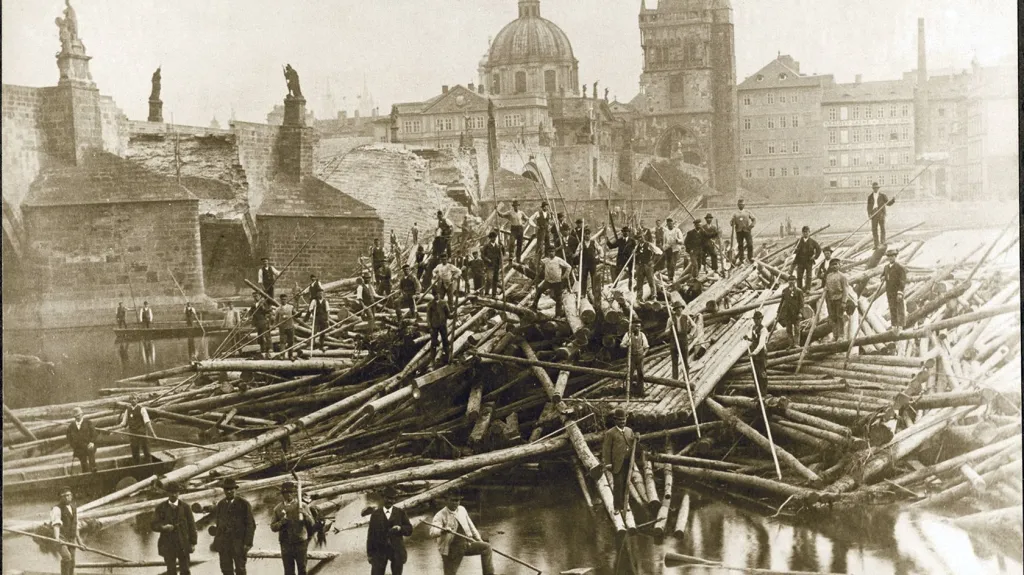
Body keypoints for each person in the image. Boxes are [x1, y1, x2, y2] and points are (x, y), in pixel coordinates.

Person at [428, 491, 495, 575]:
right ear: (446, 500)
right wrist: (443, 530)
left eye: (458, 500)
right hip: (451, 550)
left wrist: (479, 540)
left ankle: (488, 574)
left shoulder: (462, 509)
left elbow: (471, 527)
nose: (456, 503)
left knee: (486, 547)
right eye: (453, 500)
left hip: (466, 545)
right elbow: (432, 532)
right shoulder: (440, 515)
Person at [211, 478, 255, 575]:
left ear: (235, 489)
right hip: (224, 544)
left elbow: (250, 524)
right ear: (224, 491)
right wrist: (217, 542)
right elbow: (219, 524)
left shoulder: (244, 504)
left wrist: (248, 543)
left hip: (238, 543)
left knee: (240, 569)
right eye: (227, 489)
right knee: (226, 569)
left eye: (231, 489)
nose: (229, 491)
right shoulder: (221, 504)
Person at [151, 483, 197, 575]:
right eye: (171, 492)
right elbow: (153, 525)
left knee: (185, 570)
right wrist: (163, 528)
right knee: (171, 571)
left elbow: (192, 526)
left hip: (183, 543)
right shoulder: (161, 508)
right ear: (167, 493)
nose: (173, 495)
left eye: (176, 492)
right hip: (168, 544)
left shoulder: (185, 507)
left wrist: (193, 543)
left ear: (179, 493)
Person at [367, 486, 413, 575]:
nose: (390, 501)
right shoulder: (375, 515)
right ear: (383, 498)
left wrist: (400, 528)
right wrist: (370, 554)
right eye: (388, 498)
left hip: (397, 551)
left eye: (392, 499)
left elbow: (409, 529)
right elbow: (370, 536)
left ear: (395, 500)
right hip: (379, 551)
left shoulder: (400, 512)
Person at [271, 481, 315, 575]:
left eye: (290, 492)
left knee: (302, 569)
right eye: (286, 493)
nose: (288, 495)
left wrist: (305, 514)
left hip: (300, 543)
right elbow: (273, 527)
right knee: (288, 571)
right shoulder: (278, 509)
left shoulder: (302, 506)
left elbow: (312, 524)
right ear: (282, 494)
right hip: (285, 544)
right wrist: (282, 522)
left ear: (294, 493)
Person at [601, 408, 636, 514]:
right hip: (617, 463)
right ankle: (617, 507)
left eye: (624, 419)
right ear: (615, 420)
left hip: (627, 462)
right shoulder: (610, 433)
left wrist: (637, 439)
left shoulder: (629, 431)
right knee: (618, 485)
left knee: (627, 484)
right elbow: (606, 449)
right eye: (620, 420)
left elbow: (632, 444)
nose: (622, 422)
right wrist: (608, 463)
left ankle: (625, 505)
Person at [51, 486, 83, 575]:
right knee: (67, 557)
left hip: (71, 538)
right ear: (60, 497)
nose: (66, 497)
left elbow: (75, 526)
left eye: (68, 495)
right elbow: (56, 525)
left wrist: (80, 543)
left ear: (71, 496)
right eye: (63, 496)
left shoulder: (74, 508)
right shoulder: (57, 509)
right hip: (61, 538)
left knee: (72, 561)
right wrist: (57, 538)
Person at [532, 246, 572, 317]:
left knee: (558, 298)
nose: (551, 253)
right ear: (548, 252)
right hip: (548, 281)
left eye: (552, 251)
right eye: (550, 252)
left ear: (555, 252)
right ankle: (533, 307)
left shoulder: (558, 260)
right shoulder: (546, 260)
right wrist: (538, 255)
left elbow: (569, 267)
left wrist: (565, 276)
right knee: (539, 291)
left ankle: (558, 315)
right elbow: (537, 262)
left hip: (557, 282)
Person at [119, 394, 156, 464]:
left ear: (137, 400)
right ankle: (137, 467)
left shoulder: (142, 409)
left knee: (146, 451)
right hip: (133, 434)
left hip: (142, 434)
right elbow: (123, 423)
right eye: (131, 399)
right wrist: (113, 429)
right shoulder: (128, 410)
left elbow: (147, 422)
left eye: (134, 399)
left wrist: (153, 434)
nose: (133, 400)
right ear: (129, 401)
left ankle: (150, 465)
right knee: (135, 452)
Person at [743, 310, 770, 396]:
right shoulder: (754, 328)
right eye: (755, 319)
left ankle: (764, 393)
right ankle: (758, 393)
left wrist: (754, 353)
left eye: (758, 319)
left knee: (762, 374)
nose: (756, 321)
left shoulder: (763, 330)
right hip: (755, 354)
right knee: (755, 374)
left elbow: (761, 343)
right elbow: (754, 339)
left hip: (760, 354)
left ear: (761, 319)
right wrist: (748, 338)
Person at [620, 320, 649, 397]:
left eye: (639, 326)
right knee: (630, 374)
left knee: (641, 374)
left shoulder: (642, 335)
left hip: (640, 357)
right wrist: (627, 344)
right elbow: (621, 345)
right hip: (631, 357)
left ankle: (641, 392)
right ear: (632, 326)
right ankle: (630, 392)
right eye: (636, 326)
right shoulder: (628, 335)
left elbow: (646, 347)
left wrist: (643, 355)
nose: (637, 328)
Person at [664, 301, 691, 379]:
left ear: (682, 309)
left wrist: (690, 335)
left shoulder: (686, 317)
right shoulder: (670, 319)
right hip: (674, 341)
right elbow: (665, 332)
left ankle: (686, 379)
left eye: (680, 309)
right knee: (674, 362)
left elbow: (694, 326)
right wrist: (670, 328)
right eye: (677, 309)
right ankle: (675, 380)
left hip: (683, 340)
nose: (679, 310)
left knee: (685, 361)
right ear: (675, 310)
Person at [575, 227, 602, 305]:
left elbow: (600, 249)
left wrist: (599, 257)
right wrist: (576, 255)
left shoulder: (594, 242)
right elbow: (577, 252)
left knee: (594, 277)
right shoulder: (581, 243)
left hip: (592, 263)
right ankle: (583, 293)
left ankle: (594, 293)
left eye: (588, 234)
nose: (587, 236)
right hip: (584, 263)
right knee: (584, 278)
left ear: (590, 235)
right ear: (584, 235)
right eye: (586, 234)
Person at [882, 248, 907, 331]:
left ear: (895, 257)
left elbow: (903, 280)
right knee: (892, 308)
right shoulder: (886, 267)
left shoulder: (900, 267)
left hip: (897, 292)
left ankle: (901, 326)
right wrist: (882, 277)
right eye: (889, 256)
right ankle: (894, 326)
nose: (890, 258)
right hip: (889, 292)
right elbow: (883, 275)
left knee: (900, 308)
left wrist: (900, 292)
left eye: (892, 256)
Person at [791, 226, 822, 292]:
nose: (806, 233)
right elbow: (793, 250)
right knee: (799, 276)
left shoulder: (812, 242)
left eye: (807, 232)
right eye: (804, 232)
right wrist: (794, 251)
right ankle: (799, 288)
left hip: (809, 261)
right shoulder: (799, 241)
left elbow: (819, 249)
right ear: (802, 233)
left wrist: (815, 257)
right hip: (800, 261)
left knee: (809, 276)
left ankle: (808, 288)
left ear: (809, 232)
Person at [66, 407, 96, 473]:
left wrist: (92, 442)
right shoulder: (71, 426)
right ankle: (85, 472)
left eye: (79, 415)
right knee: (83, 459)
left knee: (90, 451)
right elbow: (69, 438)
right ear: (74, 417)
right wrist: (74, 446)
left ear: (82, 415)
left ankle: (93, 468)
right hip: (79, 447)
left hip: (88, 444)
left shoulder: (88, 423)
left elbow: (93, 433)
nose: (78, 417)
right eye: (76, 416)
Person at [824, 259, 848, 341]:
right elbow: (827, 287)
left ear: (839, 265)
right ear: (830, 266)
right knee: (832, 317)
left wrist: (844, 301)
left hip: (839, 298)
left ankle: (841, 335)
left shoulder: (842, 276)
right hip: (831, 299)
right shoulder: (828, 276)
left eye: (836, 264)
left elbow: (845, 289)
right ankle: (835, 335)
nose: (834, 266)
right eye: (833, 265)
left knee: (840, 317)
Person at [427, 285, 452, 364]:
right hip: (434, 326)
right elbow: (428, 317)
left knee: (445, 341)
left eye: (437, 294)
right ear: (433, 295)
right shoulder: (430, 304)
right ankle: (432, 360)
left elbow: (448, 315)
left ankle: (448, 358)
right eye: (435, 295)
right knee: (433, 343)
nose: (436, 296)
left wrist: (454, 315)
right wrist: (430, 327)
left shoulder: (444, 303)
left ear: (440, 294)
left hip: (442, 325)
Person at [778, 276, 805, 346]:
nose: (791, 282)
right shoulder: (785, 291)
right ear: (788, 281)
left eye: (793, 280)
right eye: (790, 280)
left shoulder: (799, 291)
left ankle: (796, 344)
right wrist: (778, 312)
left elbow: (801, 303)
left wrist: (800, 312)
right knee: (789, 330)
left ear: (795, 281)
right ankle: (791, 344)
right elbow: (782, 302)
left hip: (796, 313)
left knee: (797, 329)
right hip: (788, 313)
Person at [867, 182, 895, 249]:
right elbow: (868, 207)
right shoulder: (870, 197)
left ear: (878, 188)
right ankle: (876, 244)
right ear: (872, 188)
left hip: (881, 213)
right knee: (874, 229)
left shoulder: (882, 195)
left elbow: (888, 203)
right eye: (874, 188)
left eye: (876, 188)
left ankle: (882, 242)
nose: (875, 189)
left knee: (882, 228)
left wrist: (893, 200)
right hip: (874, 214)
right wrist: (869, 214)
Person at [635, 230, 660, 301]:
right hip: (640, 266)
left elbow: (659, 252)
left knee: (651, 281)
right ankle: (639, 298)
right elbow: (635, 256)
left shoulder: (649, 244)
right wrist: (636, 264)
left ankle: (654, 296)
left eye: (641, 237)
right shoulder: (637, 247)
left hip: (648, 266)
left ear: (644, 237)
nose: (640, 239)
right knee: (639, 282)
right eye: (638, 238)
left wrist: (652, 261)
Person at [247, 292, 272, 358]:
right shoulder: (254, 304)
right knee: (260, 337)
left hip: (263, 322)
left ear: (260, 296)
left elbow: (267, 311)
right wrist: (249, 315)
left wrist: (263, 307)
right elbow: (251, 312)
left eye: (256, 296)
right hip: (257, 323)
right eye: (254, 296)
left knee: (265, 336)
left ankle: (268, 350)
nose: (255, 297)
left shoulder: (263, 303)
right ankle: (262, 350)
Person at [481, 231, 502, 297]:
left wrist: (502, 246)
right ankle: (486, 293)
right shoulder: (486, 246)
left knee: (495, 280)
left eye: (495, 237)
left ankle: (494, 294)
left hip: (496, 265)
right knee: (489, 279)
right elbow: (482, 255)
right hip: (489, 265)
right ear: (490, 238)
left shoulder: (498, 246)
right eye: (493, 237)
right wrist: (487, 259)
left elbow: (502, 254)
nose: (494, 239)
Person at [276, 294, 297, 360]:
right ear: (280, 300)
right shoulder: (278, 309)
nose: (283, 301)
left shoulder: (291, 307)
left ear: (287, 300)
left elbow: (296, 314)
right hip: (282, 328)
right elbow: (276, 319)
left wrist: (298, 313)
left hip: (290, 327)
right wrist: (275, 325)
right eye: (282, 299)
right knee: (282, 342)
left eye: (285, 299)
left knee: (290, 341)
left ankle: (290, 355)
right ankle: (282, 355)